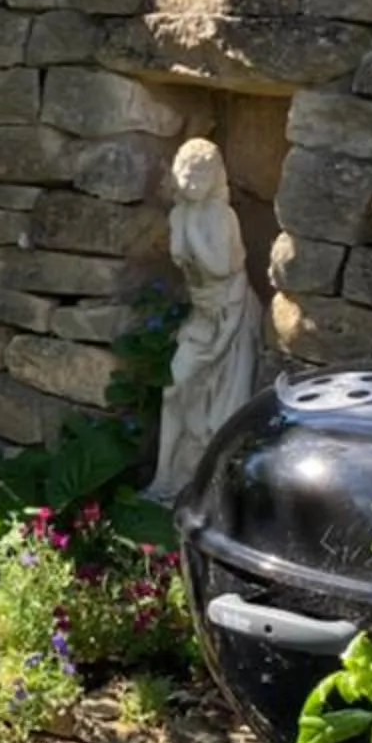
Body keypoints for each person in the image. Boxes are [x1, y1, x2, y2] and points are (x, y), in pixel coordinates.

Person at [149, 136, 263, 502]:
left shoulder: (221, 216)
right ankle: (163, 476)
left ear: (216, 177)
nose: (192, 181)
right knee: (173, 388)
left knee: (225, 410)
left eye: (202, 174)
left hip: (231, 313)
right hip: (202, 316)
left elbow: (218, 267)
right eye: (186, 173)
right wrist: (185, 222)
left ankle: (213, 488)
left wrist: (194, 228)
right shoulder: (178, 214)